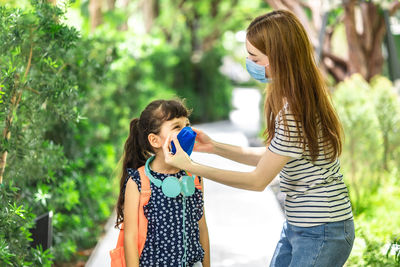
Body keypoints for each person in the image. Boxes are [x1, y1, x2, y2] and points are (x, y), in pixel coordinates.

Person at [163, 10, 354, 267]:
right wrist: (214, 147)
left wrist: (191, 166)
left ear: (279, 58)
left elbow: (257, 181)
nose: (248, 62)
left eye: (254, 57)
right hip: (302, 225)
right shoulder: (292, 96)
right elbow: (271, 157)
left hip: (322, 230)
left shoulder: (294, 111)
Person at [115, 99, 210, 267]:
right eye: (177, 127)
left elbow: (202, 228)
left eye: (187, 124)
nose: (186, 131)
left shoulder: (194, 176)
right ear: (155, 140)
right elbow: (130, 238)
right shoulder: (139, 182)